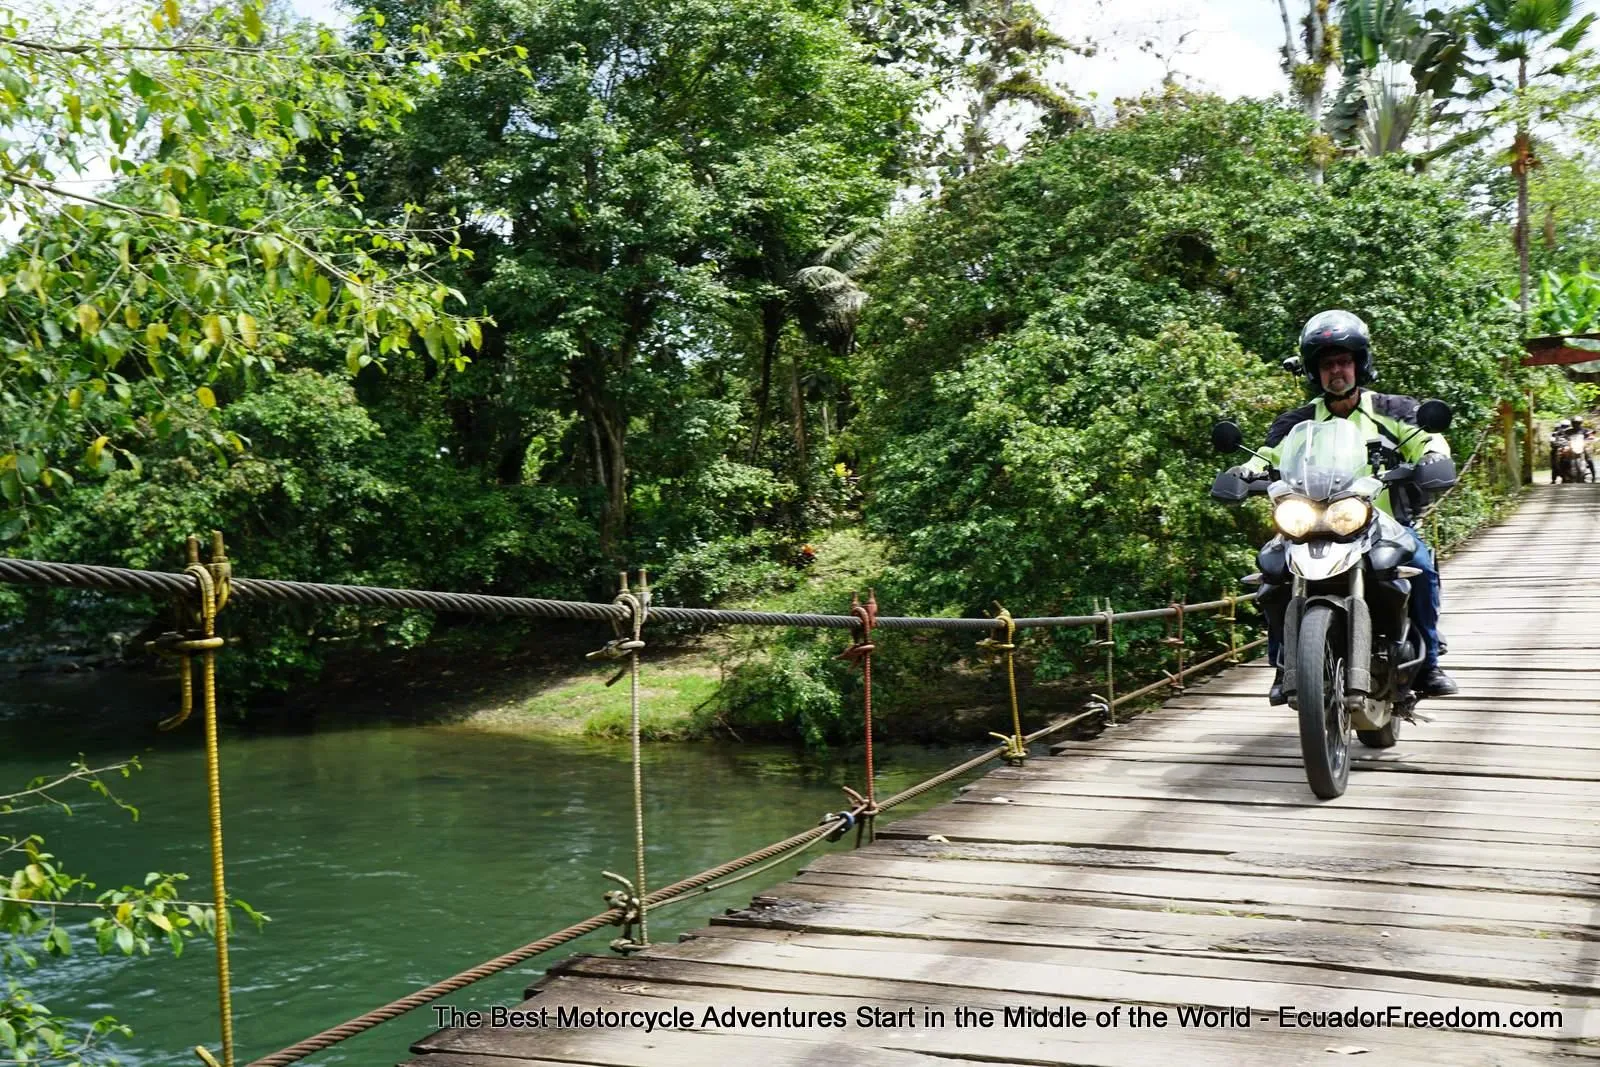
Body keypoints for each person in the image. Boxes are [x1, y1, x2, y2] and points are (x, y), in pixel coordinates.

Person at [1231, 310, 1459, 703]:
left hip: (1382, 523)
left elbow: (1428, 439)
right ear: (1314, 372)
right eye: (1326, 364)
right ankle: (1285, 662)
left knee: (1420, 565)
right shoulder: (1296, 422)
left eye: (1343, 361)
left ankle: (1430, 664)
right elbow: (1267, 455)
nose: (1336, 371)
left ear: (1359, 364)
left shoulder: (1393, 409)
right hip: (1312, 522)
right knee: (1270, 570)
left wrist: (1433, 457)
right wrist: (1242, 471)